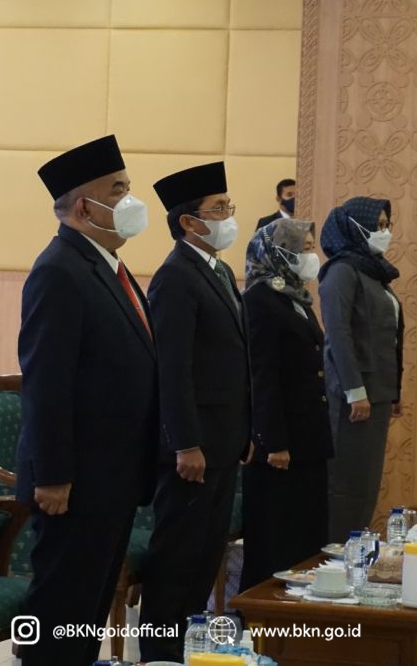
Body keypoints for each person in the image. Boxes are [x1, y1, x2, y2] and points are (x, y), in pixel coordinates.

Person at [16, 135, 159, 665]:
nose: (130, 199)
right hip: (75, 482)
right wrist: (53, 474)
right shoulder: (60, 269)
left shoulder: (107, 265)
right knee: (61, 614)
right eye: (118, 190)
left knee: (87, 617)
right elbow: (46, 382)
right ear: (84, 208)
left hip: (113, 476)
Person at [140, 162, 254, 662]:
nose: (228, 217)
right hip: (194, 447)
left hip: (225, 439)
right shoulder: (175, 277)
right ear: (189, 221)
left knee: (206, 554)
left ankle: (190, 649)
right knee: (177, 558)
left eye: (229, 207)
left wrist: (246, 430)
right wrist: (185, 442)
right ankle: (160, 654)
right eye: (219, 209)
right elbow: (173, 368)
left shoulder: (220, 271)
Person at [238, 218, 333, 591]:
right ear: (277, 253)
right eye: (303, 248)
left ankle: (300, 613)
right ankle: (263, 613)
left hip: (307, 437)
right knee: (276, 538)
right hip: (281, 444)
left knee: (307, 536)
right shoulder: (260, 300)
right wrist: (273, 441)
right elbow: (261, 376)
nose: (311, 255)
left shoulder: (296, 297)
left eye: (311, 246)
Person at [318, 196, 404, 542]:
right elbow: (339, 334)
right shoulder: (342, 271)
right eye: (377, 225)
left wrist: (394, 392)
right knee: (346, 483)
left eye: (387, 225)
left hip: (378, 393)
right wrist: (355, 391)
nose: (384, 232)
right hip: (354, 397)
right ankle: (334, 554)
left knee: (366, 483)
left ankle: (353, 551)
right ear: (356, 228)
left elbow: (389, 337)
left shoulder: (374, 272)